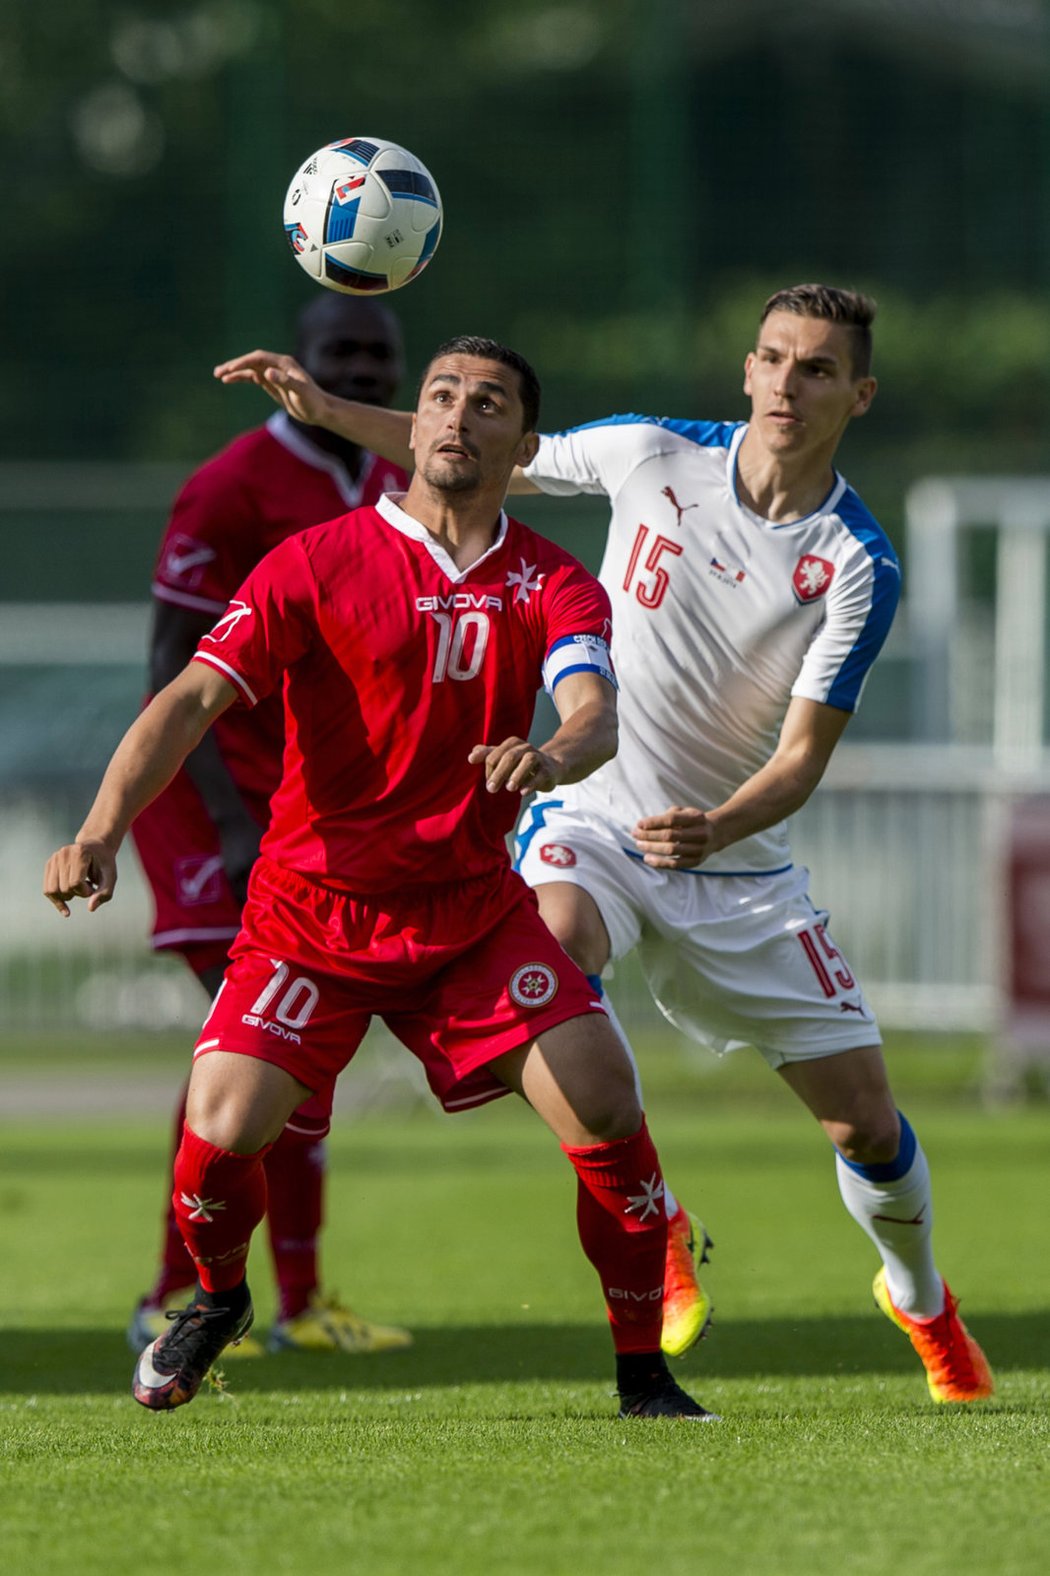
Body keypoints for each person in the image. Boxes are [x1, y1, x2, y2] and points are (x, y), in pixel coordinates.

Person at [212, 286, 994, 1405]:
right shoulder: (652, 453)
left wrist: (718, 827)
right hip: (593, 814)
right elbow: (478, 452)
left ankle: (921, 1300)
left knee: (864, 1121)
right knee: (558, 944)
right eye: (773, 358)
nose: (788, 384)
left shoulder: (858, 561)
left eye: (817, 369)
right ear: (745, 368)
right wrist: (326, 407)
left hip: (734, 866)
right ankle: (658, 1215)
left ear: (857, 395)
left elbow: (804, 757)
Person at [44, 336, 714, 1423]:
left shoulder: (550, 577)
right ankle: (216, 1300)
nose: (457, 414)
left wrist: (549, 753)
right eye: (441, 394)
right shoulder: (316, 559)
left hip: (470, 917)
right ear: (415, 425)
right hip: (312, 912)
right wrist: (101, 828)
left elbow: (594, 709)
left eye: (486, 401)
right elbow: (188, 701)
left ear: (521, 442)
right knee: (218, 1134)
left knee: (605, 1103)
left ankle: (645, 1374)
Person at [128, 293, 413, 1359]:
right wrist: (231, 820)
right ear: (296, 364)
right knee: (247, 1059)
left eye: (378, 355)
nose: (363, 370)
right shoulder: (229, 485)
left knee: (285, 1066)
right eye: (340, 351)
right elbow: (171, 667)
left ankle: (293, 1304)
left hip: (312, 818)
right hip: (215, 809)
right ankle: (177, 1297)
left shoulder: (392, 480)